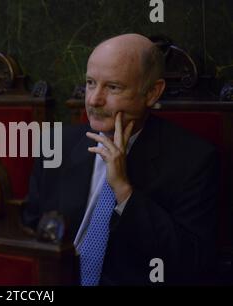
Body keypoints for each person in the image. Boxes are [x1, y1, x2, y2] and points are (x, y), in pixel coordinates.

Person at [23, 33, 219, 285]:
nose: (94, 99)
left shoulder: (194, 160)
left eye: (113, 87)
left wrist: (124, 192)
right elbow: (32, 231)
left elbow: (191, 262)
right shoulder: (56, 145)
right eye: (91, 83)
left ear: (152, 92)